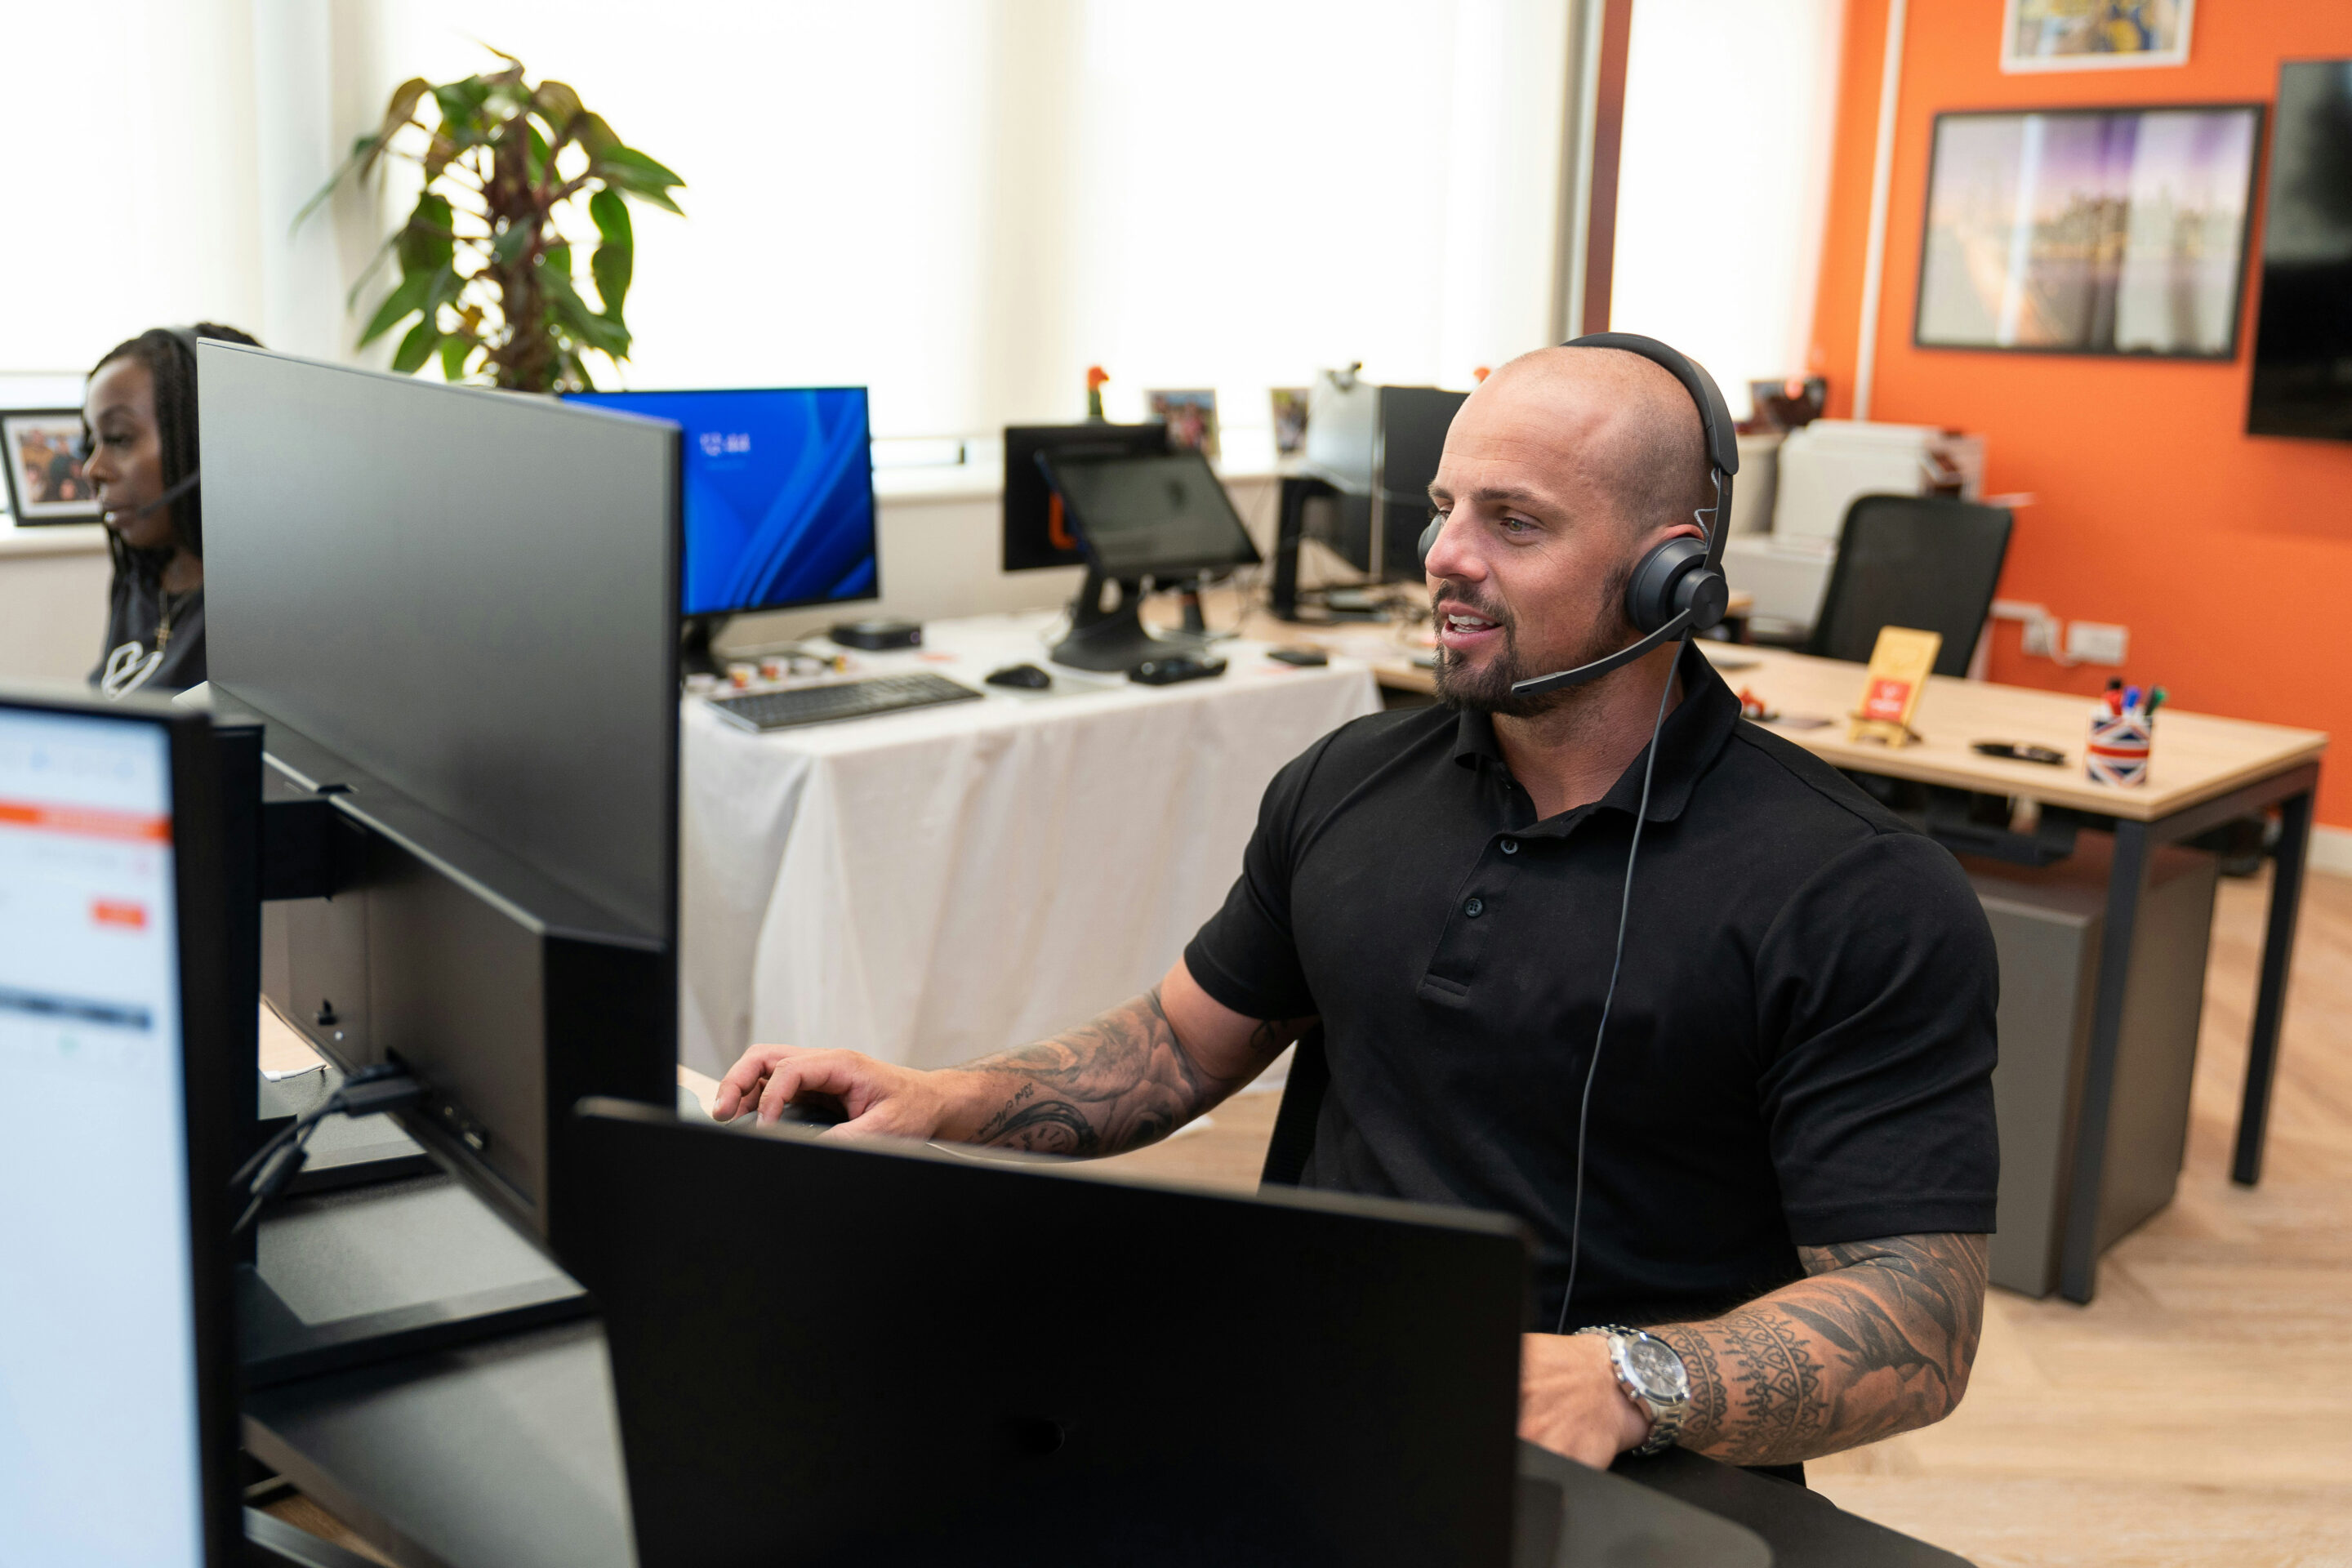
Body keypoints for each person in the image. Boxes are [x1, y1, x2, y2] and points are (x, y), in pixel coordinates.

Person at [714, 344, 2000, 1480]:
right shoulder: (1347, 780)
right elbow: (1172, 1050)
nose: (1445, 556)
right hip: (1297, 1410)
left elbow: (1918, 1320)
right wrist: (941, 1099)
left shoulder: (1858, 893)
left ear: (1672, 572)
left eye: (1515, 521)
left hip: (1616, 1470)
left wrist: (1623, 1382)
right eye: (1446, 508)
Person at [81, 323, 261, 697]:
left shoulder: (267, 611)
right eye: (91, 443)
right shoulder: (139, 578)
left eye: (118, 438)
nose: (92, 469)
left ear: (204, 436)